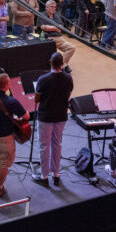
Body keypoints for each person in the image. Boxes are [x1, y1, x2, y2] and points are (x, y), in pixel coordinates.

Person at [32, 52, 73, 185]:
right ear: (62, 64)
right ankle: (56, 174)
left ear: (50, 62)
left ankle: (44, 176)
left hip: (46, 116)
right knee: (57, 144)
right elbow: (67, 96)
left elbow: (36, 99)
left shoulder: (43, 79)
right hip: (61, 115)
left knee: (44, 146)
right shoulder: (68, 78)